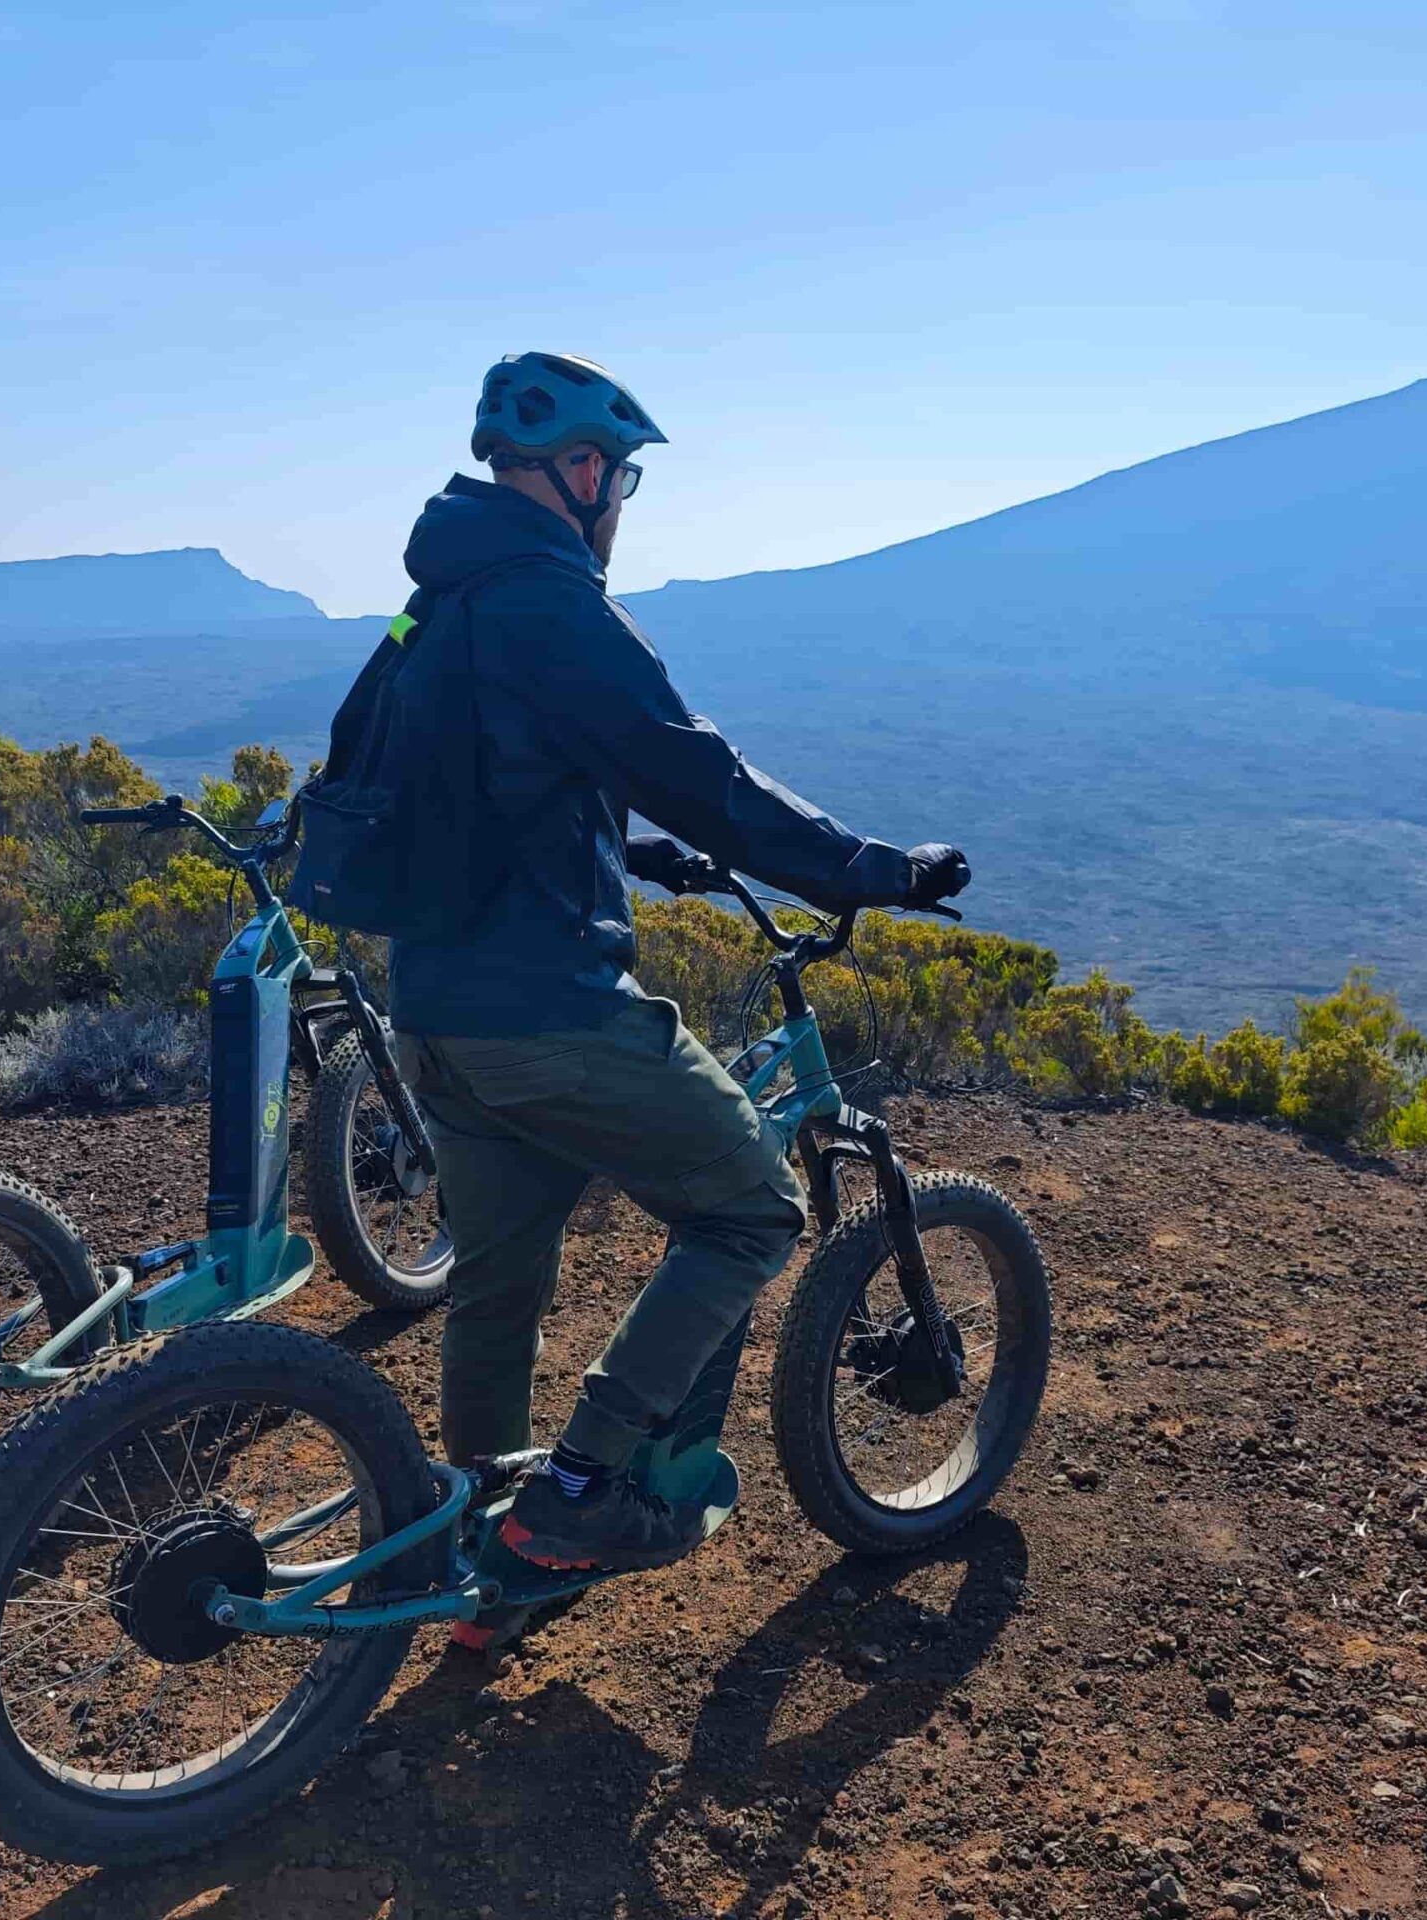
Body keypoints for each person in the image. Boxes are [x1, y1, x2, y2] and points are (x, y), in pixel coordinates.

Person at [386, 350, 968, 1582]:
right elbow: (707, 775)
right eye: (622, 478)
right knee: (755, 1206)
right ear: (582, 471)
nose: (619, 506)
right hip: (545, 1010)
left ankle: (473, 1556)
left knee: (499, 1289)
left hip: (435, 1008)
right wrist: (867, 868)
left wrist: (616, 838)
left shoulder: (444, 601)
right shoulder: (553, 603)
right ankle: (584, 1486)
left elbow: (467, 783)